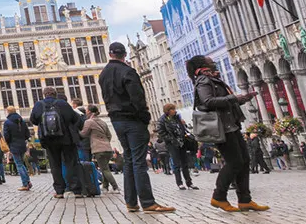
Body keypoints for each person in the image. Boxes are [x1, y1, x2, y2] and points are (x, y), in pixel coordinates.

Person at [99, 41, 173, 213]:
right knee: (139, 161)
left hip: (116, 120)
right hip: (132, 120)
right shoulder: (128, 71)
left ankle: (131, 201)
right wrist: (144, 117)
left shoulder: (103, 74)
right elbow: (137, 98)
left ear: (110, 54)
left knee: (129, 160)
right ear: (124, 55)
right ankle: (147, 202)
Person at [190, 54, 267, 212]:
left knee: (244, 160)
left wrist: (242, 99)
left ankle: (245, 199)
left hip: (230, 124)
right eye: (209, 60)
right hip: (221, 127)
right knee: (234, 162)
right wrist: (233, 98)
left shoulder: (212, 78)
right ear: (203, 64)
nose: (213, 61)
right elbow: (207, 102)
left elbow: (222, 100)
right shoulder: (204, 80)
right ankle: (219, 197)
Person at [29, 87, 89, 199]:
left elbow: (33, 120)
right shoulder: (62, 104)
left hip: (49, 140)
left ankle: (59, 190)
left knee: (55, 165)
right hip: (66, 139)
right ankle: (76, 190)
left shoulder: (39, 105)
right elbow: (75, 119)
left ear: (44, 94)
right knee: (71, 163)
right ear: (55, 94)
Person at [155, 104, 198, 190]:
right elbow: (161, 132)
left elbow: (182, 129)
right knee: (176, 164)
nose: (175, 110)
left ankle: (189, 182)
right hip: (172, 144)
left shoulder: (177, 117)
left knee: (185, 163)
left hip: (182, 142)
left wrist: (183, 126)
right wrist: (171, 139)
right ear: (168, 110)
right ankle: (179, 183)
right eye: (173, 109)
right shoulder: (162, 120)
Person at [79, 105, 119, 193]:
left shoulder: (89, 122)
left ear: (90, 112)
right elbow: (109, 135)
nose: (86, 112)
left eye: (87, 111)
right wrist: (105, 142)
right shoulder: (103, 122)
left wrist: (76, 131)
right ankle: (105, 187)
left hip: (98, 149)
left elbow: (83, 134)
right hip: (108, 148)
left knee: (104, 169)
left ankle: (115, 187)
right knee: (104, 167)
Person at [2, 106, 33, 191]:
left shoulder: (7, 122)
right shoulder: (21, 121)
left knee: (19, 164)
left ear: (8, 112)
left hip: (14, 145)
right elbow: (27, 134)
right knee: (21, 163)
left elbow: (6, 136)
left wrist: (9, 143)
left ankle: (25, 183)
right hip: (22, 144)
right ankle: (27, 182)